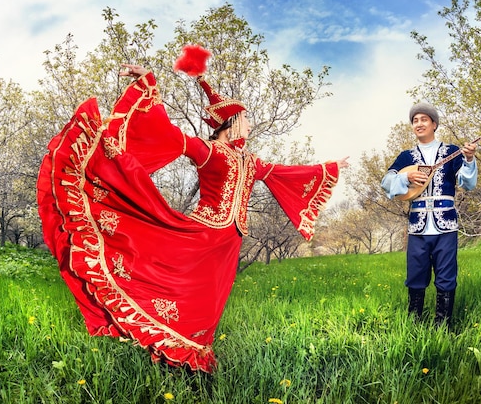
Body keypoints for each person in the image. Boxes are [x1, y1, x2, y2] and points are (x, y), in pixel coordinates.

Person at [37, 44, 348, 373]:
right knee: (183, 291)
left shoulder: (250, 161)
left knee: (212, 302)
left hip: (229, 242)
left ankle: (196, 351)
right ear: (233, 123)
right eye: (246, 119)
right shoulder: (210, 151)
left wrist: (329, 168)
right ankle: (179, 351)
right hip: (203, 234)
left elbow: (285, 173)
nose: (250, 125)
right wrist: (149, 87)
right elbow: (168, 135)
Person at [381, 102, 477, 328]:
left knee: (446, 276)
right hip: (418, 228)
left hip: (446, 226)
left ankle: (441, 327)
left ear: (434, 124)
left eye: (424, 119)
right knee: (416, 275)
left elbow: (468, 184)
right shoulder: (406, 157)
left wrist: (470, 159)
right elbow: (386, 183)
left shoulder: (452, 152)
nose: (419, 124)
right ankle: (414, 325)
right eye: (415, 120)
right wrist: (407, 178)